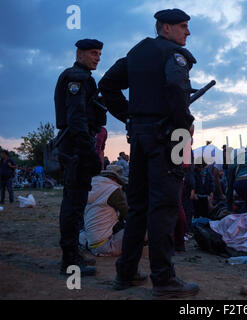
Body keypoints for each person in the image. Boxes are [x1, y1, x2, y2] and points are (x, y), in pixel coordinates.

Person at [99, 8, 199, 298]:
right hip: (167, 138)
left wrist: (129, 117)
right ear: (165, 28)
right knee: (165, 207)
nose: (187, 32)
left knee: (140, 206)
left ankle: (126, 272)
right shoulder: (175, 55)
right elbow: (174, 86)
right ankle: (164, 279)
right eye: (183, 26)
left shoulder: (137, 52)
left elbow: (107, 85)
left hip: (140, 138)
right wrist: (186, 125)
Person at [54, 39, 105, 276]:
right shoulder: (77, 78)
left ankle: (73, 253)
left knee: (76, 204)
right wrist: (88, 153)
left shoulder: (82, 77)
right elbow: (76, 119)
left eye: (99, 53)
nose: (97, 57)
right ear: (79, 53)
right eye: (93, 53)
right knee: (73, 206)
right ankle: (70, 260)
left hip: (77, 148)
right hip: (76, 150)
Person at [79, 165, 128, 256]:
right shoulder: (112, 189)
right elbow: (128, 215)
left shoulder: (90, 186)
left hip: (92, 242)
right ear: (115, 179)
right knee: (142, 228)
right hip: (106, 244)